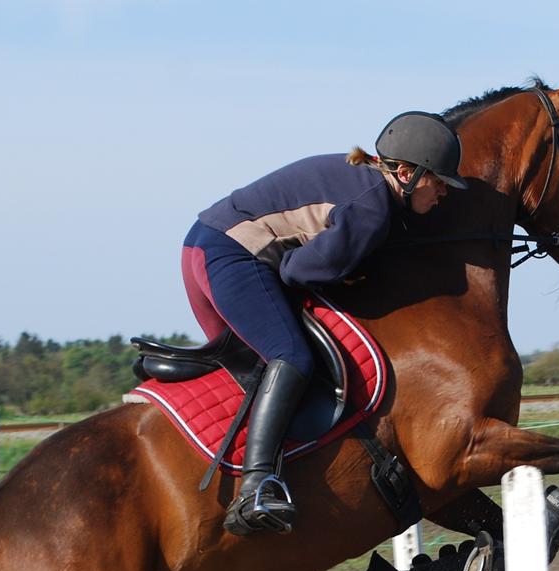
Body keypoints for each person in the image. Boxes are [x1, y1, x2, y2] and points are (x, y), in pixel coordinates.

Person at [183, 110, 467, 536]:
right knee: (291, 357)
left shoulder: (364, 181)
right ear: (406, 174)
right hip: (230, 254)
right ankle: (256, 485)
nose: (444, 191)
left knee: (253, 372)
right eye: (438, 181)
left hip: (203, 243)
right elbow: (296, 271)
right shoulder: (372, 207)